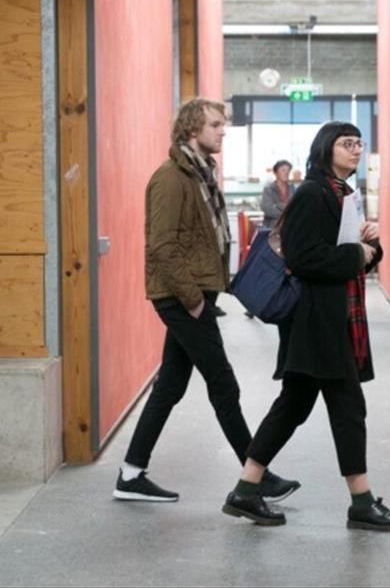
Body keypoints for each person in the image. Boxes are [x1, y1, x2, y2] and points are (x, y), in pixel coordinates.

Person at [221, 121, 390, 531]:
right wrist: (356, 253)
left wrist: (371, 245)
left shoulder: (343, 195)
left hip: (331, 317)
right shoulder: (312, 193)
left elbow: (350, 254)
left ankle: (246, 490)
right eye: (347, 143)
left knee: (294, 407)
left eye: (359, 143)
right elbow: (305, 258)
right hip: (316, 322)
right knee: (346, 408)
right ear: (327, 148)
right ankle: (360, 502)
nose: (357, 150)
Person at [112, 98, 300, 503]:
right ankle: (255, 477)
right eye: (215, 124)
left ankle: (130, 473)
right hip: (181, 298)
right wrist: (194, 300)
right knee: (224, 384)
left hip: (194, 295)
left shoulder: (201, 174)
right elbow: (162, 246)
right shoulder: (170, 178)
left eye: (222, 124)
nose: (222, 131)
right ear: (192, 129)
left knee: (169, 387)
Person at [259, 159, 297, 228]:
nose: (286, 173)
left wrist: (277, 205)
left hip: (291, 225)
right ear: (276, 173)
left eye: (288, 170)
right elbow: (268, 209)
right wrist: (287, 212)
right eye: (283, 170)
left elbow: (296, 207)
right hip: (272, 227)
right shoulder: (268, 189)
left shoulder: (293, 188)